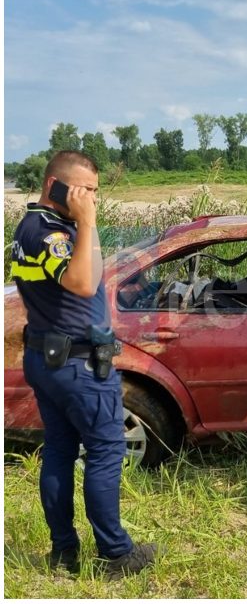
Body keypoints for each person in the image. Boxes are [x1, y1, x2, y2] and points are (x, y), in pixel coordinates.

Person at [9, 150, 157, 576]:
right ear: (55, 185)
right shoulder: (48, 232)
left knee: (58, 449)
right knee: (106, 450)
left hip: (50, 358)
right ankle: (115, 554)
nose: (92, 198)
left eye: (94, 191)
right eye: (84, 190)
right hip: (78, 365)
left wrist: (83, 223)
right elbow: (82, 281)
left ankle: (63, 553)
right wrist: (87, 221)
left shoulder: (32, 226)